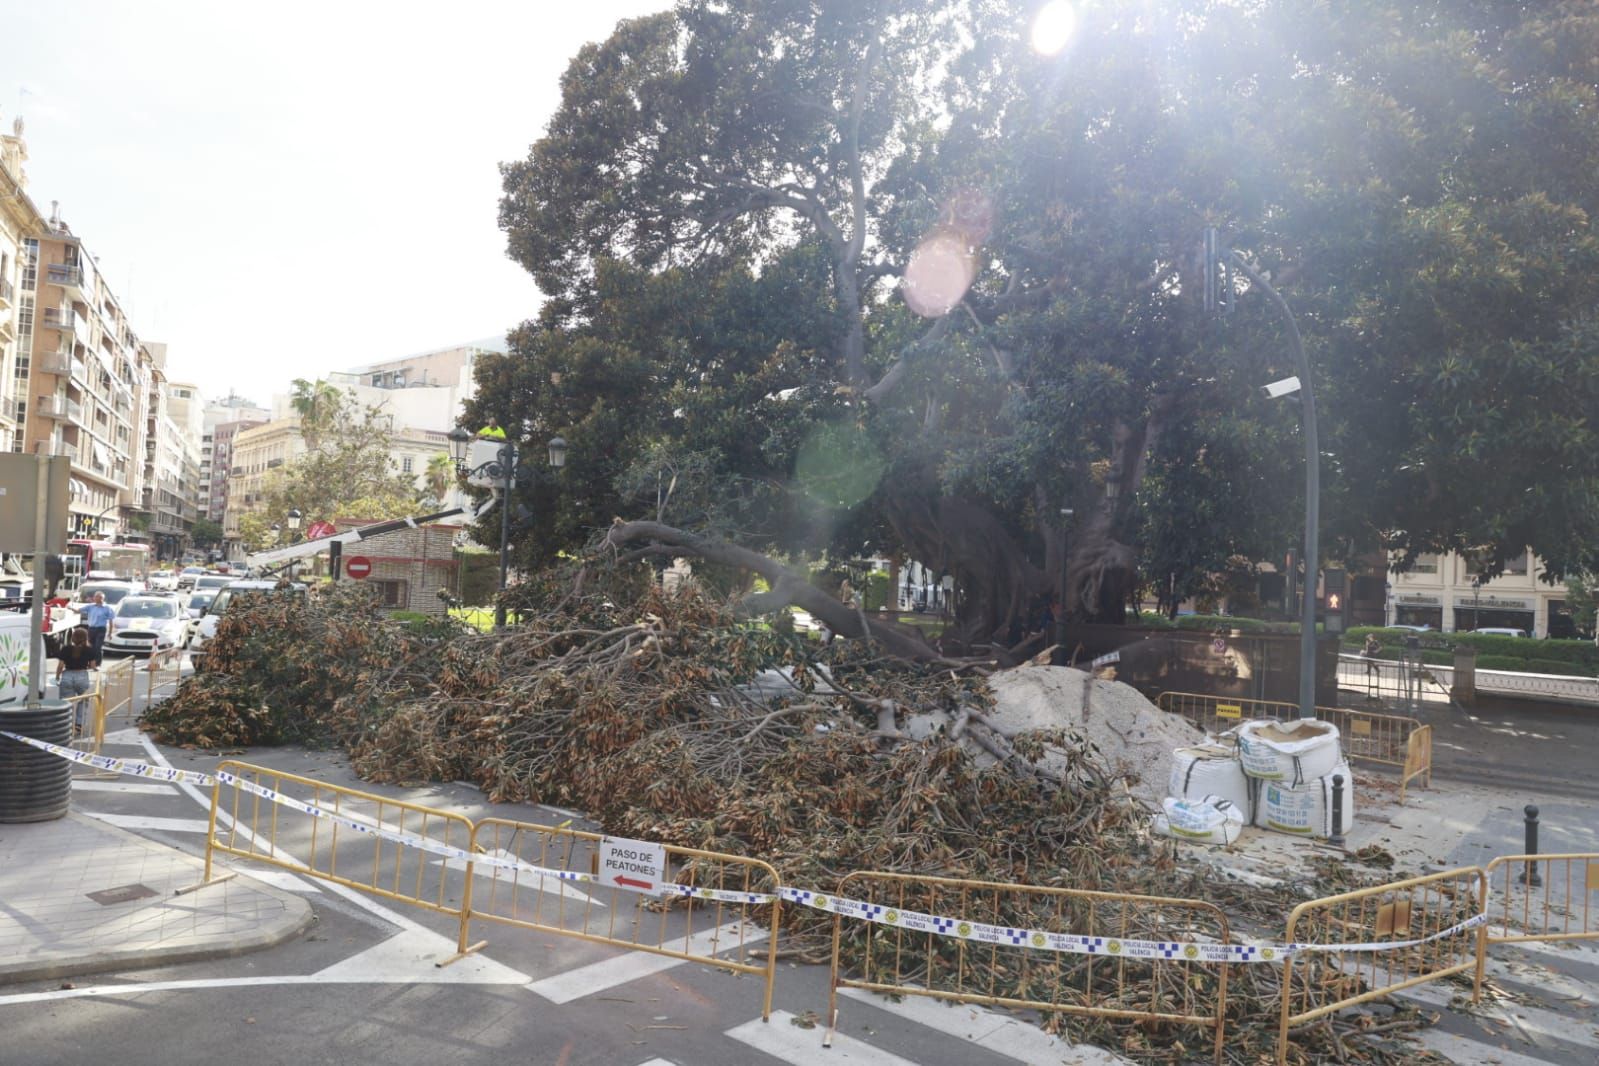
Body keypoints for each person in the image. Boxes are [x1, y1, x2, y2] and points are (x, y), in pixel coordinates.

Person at [55, 627, 97, 735]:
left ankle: (67, 725)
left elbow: (60, 666)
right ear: (86, 638)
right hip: (82, 676)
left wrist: (57, 677)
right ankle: (79, 725)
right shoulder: (89, 650)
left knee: (66, 703)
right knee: (83, 701)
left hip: (67, 676)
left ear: (73, 637)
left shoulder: (65, 649)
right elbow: (92, 666)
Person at [80, 592, 115, 667]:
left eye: (98, 597)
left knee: (98, 647)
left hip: (101, 629)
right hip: (91, 629)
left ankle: (97, 663)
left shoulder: (107, 608)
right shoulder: (90, 606)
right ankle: (90, 663)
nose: (95, 598)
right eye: (95, 597)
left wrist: (110, 633)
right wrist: (71, 608)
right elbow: (79, 610)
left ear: (102, 598)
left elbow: (111, 622)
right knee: (90, 646)